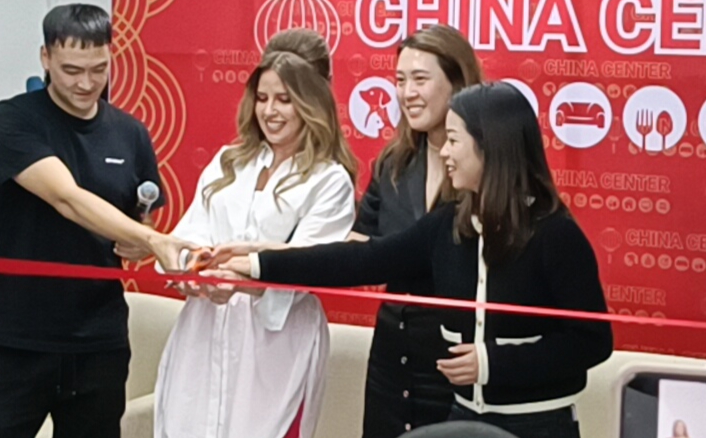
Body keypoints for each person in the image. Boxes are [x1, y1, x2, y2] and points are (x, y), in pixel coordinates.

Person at [216, 82, 614, 438]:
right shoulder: (447, 225)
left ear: (490, 146)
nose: (444, 152)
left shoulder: (556, 236)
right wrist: (259, 264)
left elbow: (592, 342)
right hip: (460, 418)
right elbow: (363, 260)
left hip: (538, 426)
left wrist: (494, 362)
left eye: (454, 140)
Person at [0, 4, 195, 438]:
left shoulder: (131, 133)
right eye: (71, 70)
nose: (86, 83)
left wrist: (140, 239)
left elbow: (138, 214)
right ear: (45, 57)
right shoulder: (12, 120)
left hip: (99, 343)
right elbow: (65, 197)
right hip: (18, 340)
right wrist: (153, 239)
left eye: (98, 69)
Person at [154, 30, 358, 438]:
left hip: (276, 347)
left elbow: (310, 262)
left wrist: (242, 280)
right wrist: (190, 268)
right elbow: (189, 234)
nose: (270, 111)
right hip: (203, 333)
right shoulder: (228, 162)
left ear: (312, 101)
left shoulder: (329, 180)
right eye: (263, 98)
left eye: (285, 99)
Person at [351, 24, 483, 437]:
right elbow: (358, 247)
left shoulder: (489, 168)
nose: (407, 93)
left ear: (458, 82)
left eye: (420, 79)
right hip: (393, 359)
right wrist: (266, 256)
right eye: (400, 80)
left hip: (460, 364)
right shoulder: (393, 163)